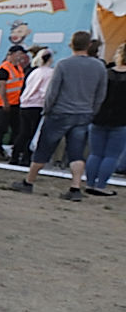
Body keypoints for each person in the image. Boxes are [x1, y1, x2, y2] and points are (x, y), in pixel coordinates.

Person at [11, 31, 108, 201]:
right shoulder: (99, 66)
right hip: (84, 113)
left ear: (71, 44)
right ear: (89, 46)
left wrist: (47, 110)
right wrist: (92, 110)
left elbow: (52, 91)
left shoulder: (63, 65)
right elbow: (101, 94)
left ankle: (29, 182)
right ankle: (75, 187)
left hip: (60, 112)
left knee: (44, 149)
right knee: (76, 153)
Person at [83, 43, 125, 196]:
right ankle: (101, 185)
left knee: (95, 153)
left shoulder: (105, 73)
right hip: (121, 120)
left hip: (99, 117)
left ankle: (89, 183)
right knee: (111, 155)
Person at [13, 49, 52, 167]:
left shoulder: (34, 72)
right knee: (33, 133)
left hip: (25, 104)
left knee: (23, 132)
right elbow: (44, 91)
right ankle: (26, 157)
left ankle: (15, 156)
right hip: (37, 105)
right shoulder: (50, 73)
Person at [0, 44, 29, 159]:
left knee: (17, 127)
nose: (21, 57)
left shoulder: (18, 68)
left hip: (16, 102)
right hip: (4, 103)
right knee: (2, 127)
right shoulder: (3, 69)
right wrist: (5, 102)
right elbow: (2, 87)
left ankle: (12, 147)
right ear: (11, 54)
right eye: (19, 54)